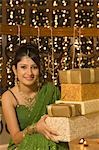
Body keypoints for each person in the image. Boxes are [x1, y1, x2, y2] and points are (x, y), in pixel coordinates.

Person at [2, 43, 69, 150]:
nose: (29, 73)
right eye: (23, 67)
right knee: (41, 141)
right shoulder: (8, 97)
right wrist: (35, 128)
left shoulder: (50, 91)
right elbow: (15, 138)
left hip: (50, 143)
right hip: (21, 145)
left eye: (34, 67)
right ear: (15, 70)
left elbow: (60, 126)